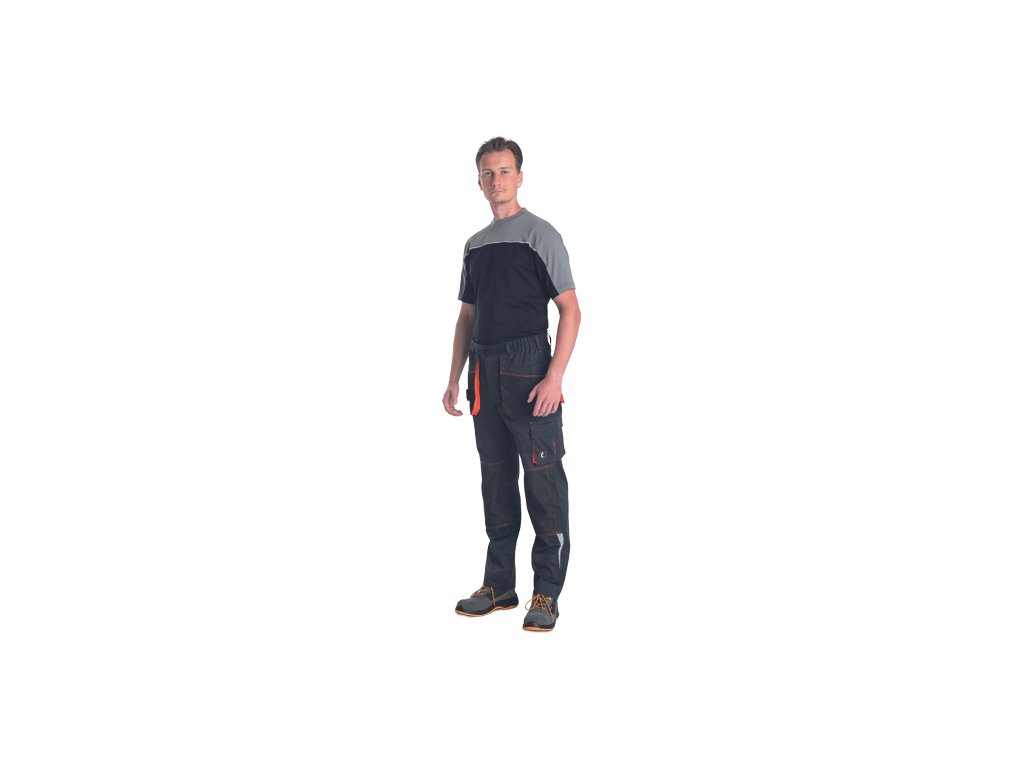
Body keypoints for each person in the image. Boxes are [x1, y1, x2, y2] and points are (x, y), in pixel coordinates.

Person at [443, 137, 581, 632]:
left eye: (504, 171)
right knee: (496, 480)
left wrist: (554, 376)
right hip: (484, 371)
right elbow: (467, 317)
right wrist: (454, 377)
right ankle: (499, 584)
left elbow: (570, 309)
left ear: (519, 177)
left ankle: (547, 593)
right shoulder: (475, 245)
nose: (496, 180)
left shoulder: (541, 235)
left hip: (529, 368)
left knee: (543, 482)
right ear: (478, 181)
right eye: (487, 172)